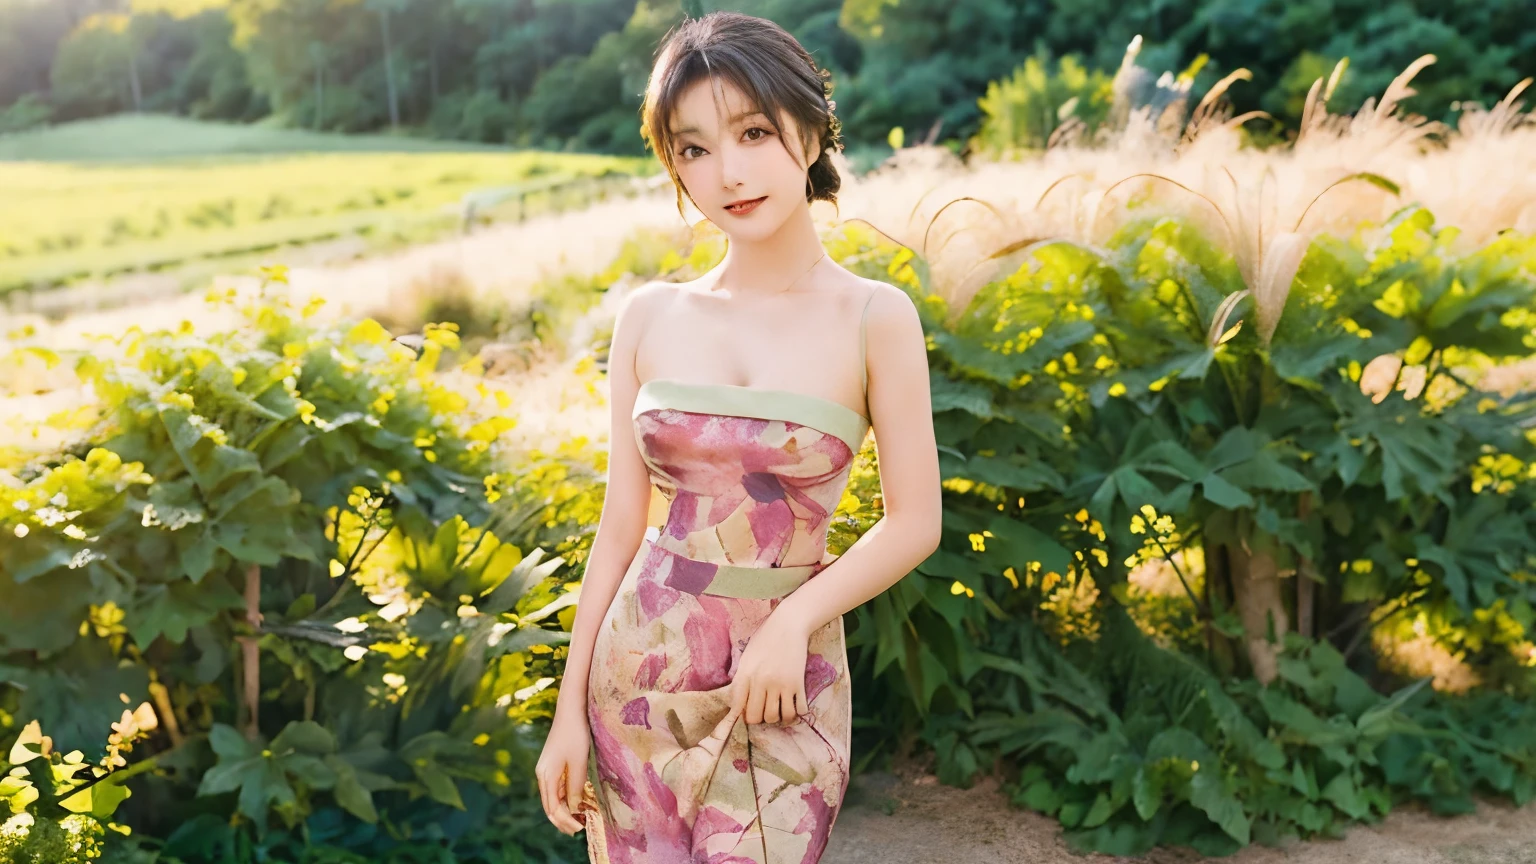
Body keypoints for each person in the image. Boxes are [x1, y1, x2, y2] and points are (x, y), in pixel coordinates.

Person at [535, 10, 942, 862]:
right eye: (692, 149)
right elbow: (620, 527)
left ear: (811, 125)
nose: (728, 172)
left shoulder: (875, 315)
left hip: (782, 685)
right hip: (638, 674)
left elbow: (915, 521)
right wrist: (567, 710)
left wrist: (796, 619)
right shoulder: (650, 315)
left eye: (753, 132)